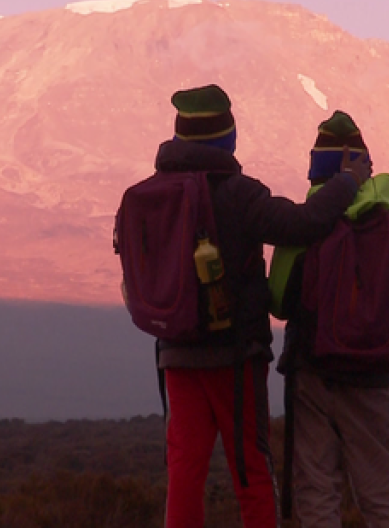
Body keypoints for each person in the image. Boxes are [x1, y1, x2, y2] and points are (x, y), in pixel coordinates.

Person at [152, 85, 371, 528]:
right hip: (235, 358)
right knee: (251, 470)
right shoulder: (239, 194)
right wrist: (349, 181)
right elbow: (301, 224)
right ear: (226, 139)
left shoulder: (155, 195)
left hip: (175, 354)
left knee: (185, 472)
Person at [269, 110, 389, 527]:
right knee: (384, 492)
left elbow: (279, 300)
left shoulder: (306, 227)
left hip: (312, 375)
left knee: (317, 489)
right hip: (373, 382)